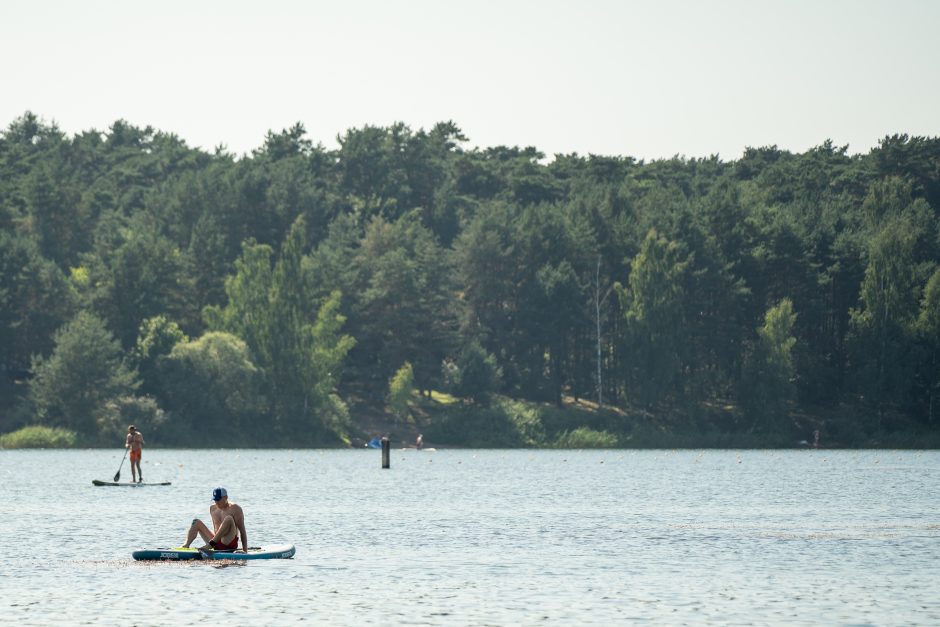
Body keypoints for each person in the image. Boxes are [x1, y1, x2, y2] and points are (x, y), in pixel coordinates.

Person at [183, 487, 248, 553]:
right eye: (215, 500)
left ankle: (210, 545)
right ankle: (186, 545)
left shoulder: (235, 509)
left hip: (228, 542)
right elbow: (216, 529)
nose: (216, 502)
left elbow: (242, 531)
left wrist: (245, 550)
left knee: (229, 518)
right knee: (196, 522)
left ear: (226, 497)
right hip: (215, 543)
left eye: (218, 499)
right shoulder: (212, 508)